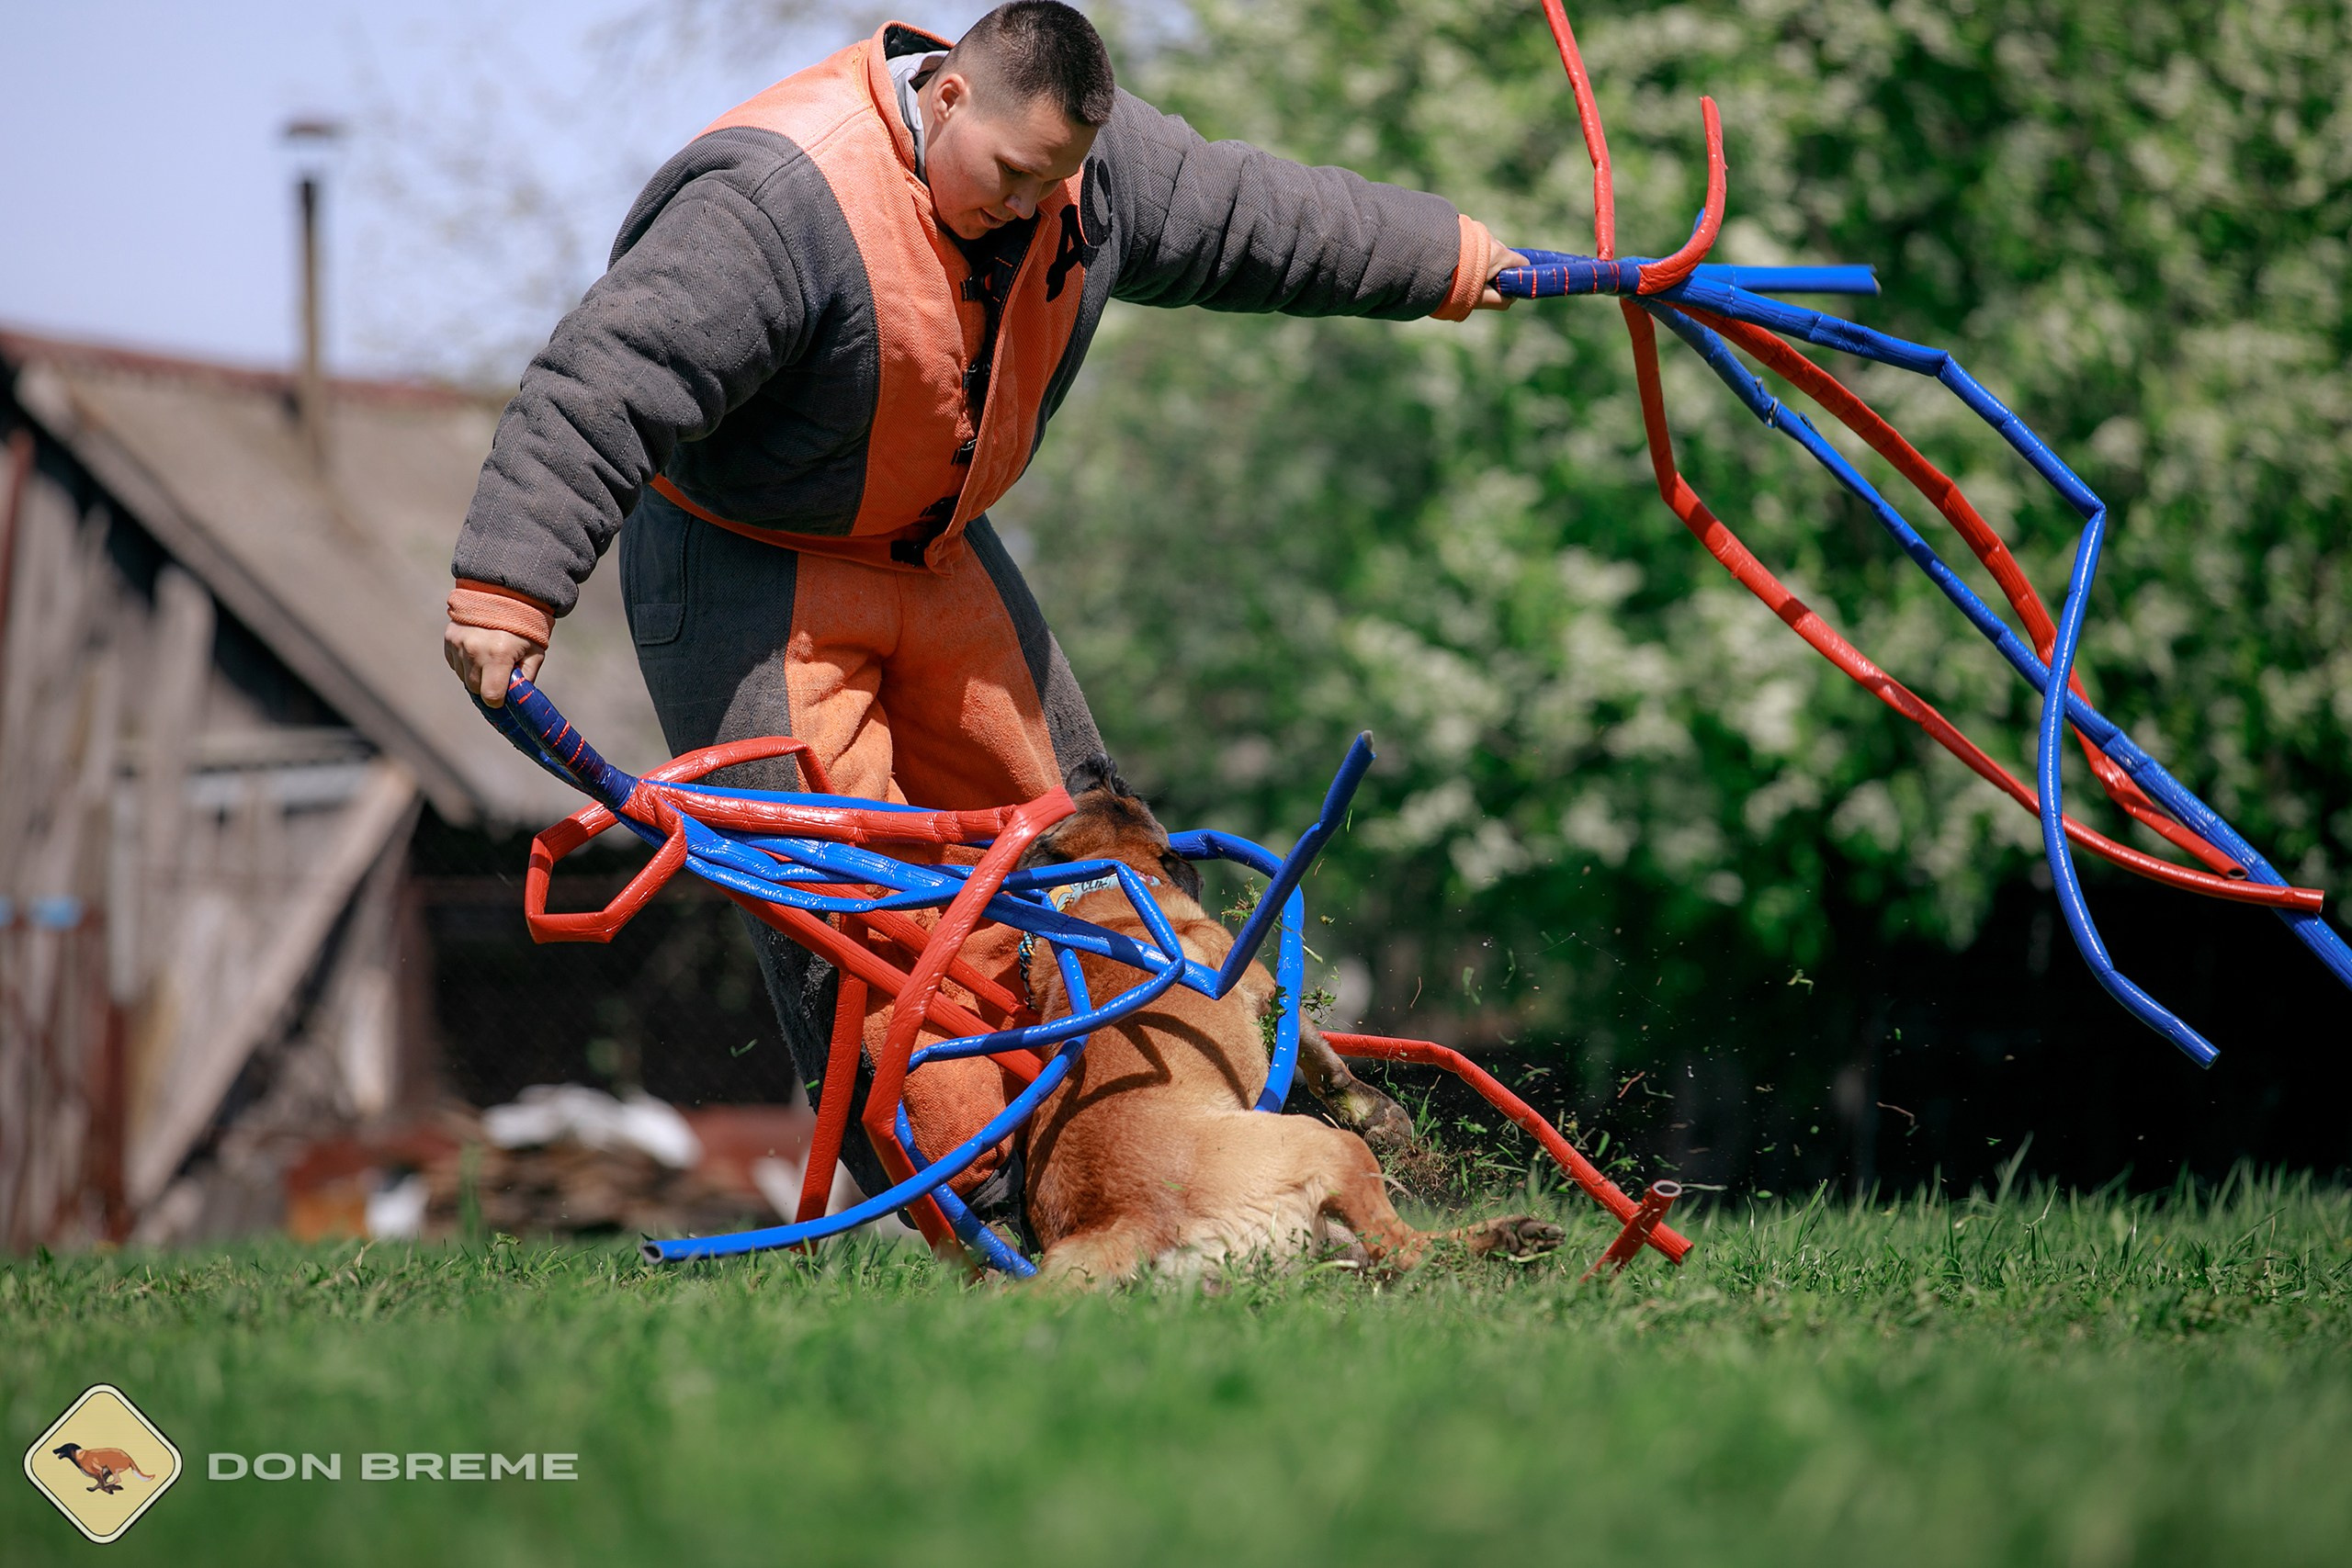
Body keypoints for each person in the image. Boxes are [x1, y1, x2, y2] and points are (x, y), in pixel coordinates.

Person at [443, 2, 1522, 1231]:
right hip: (751, 566)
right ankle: (995, 1208)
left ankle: (1188, 1157)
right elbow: (607, 373)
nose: (1034, 207)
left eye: (1057, 184)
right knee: (850, 910)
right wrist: (508, 581)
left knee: (1090, 850)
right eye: (1014, 178)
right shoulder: (779, 202)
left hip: (936, 548)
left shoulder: (1073, 176)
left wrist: (1447, 258)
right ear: (948, 98)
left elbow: (1252, 215)